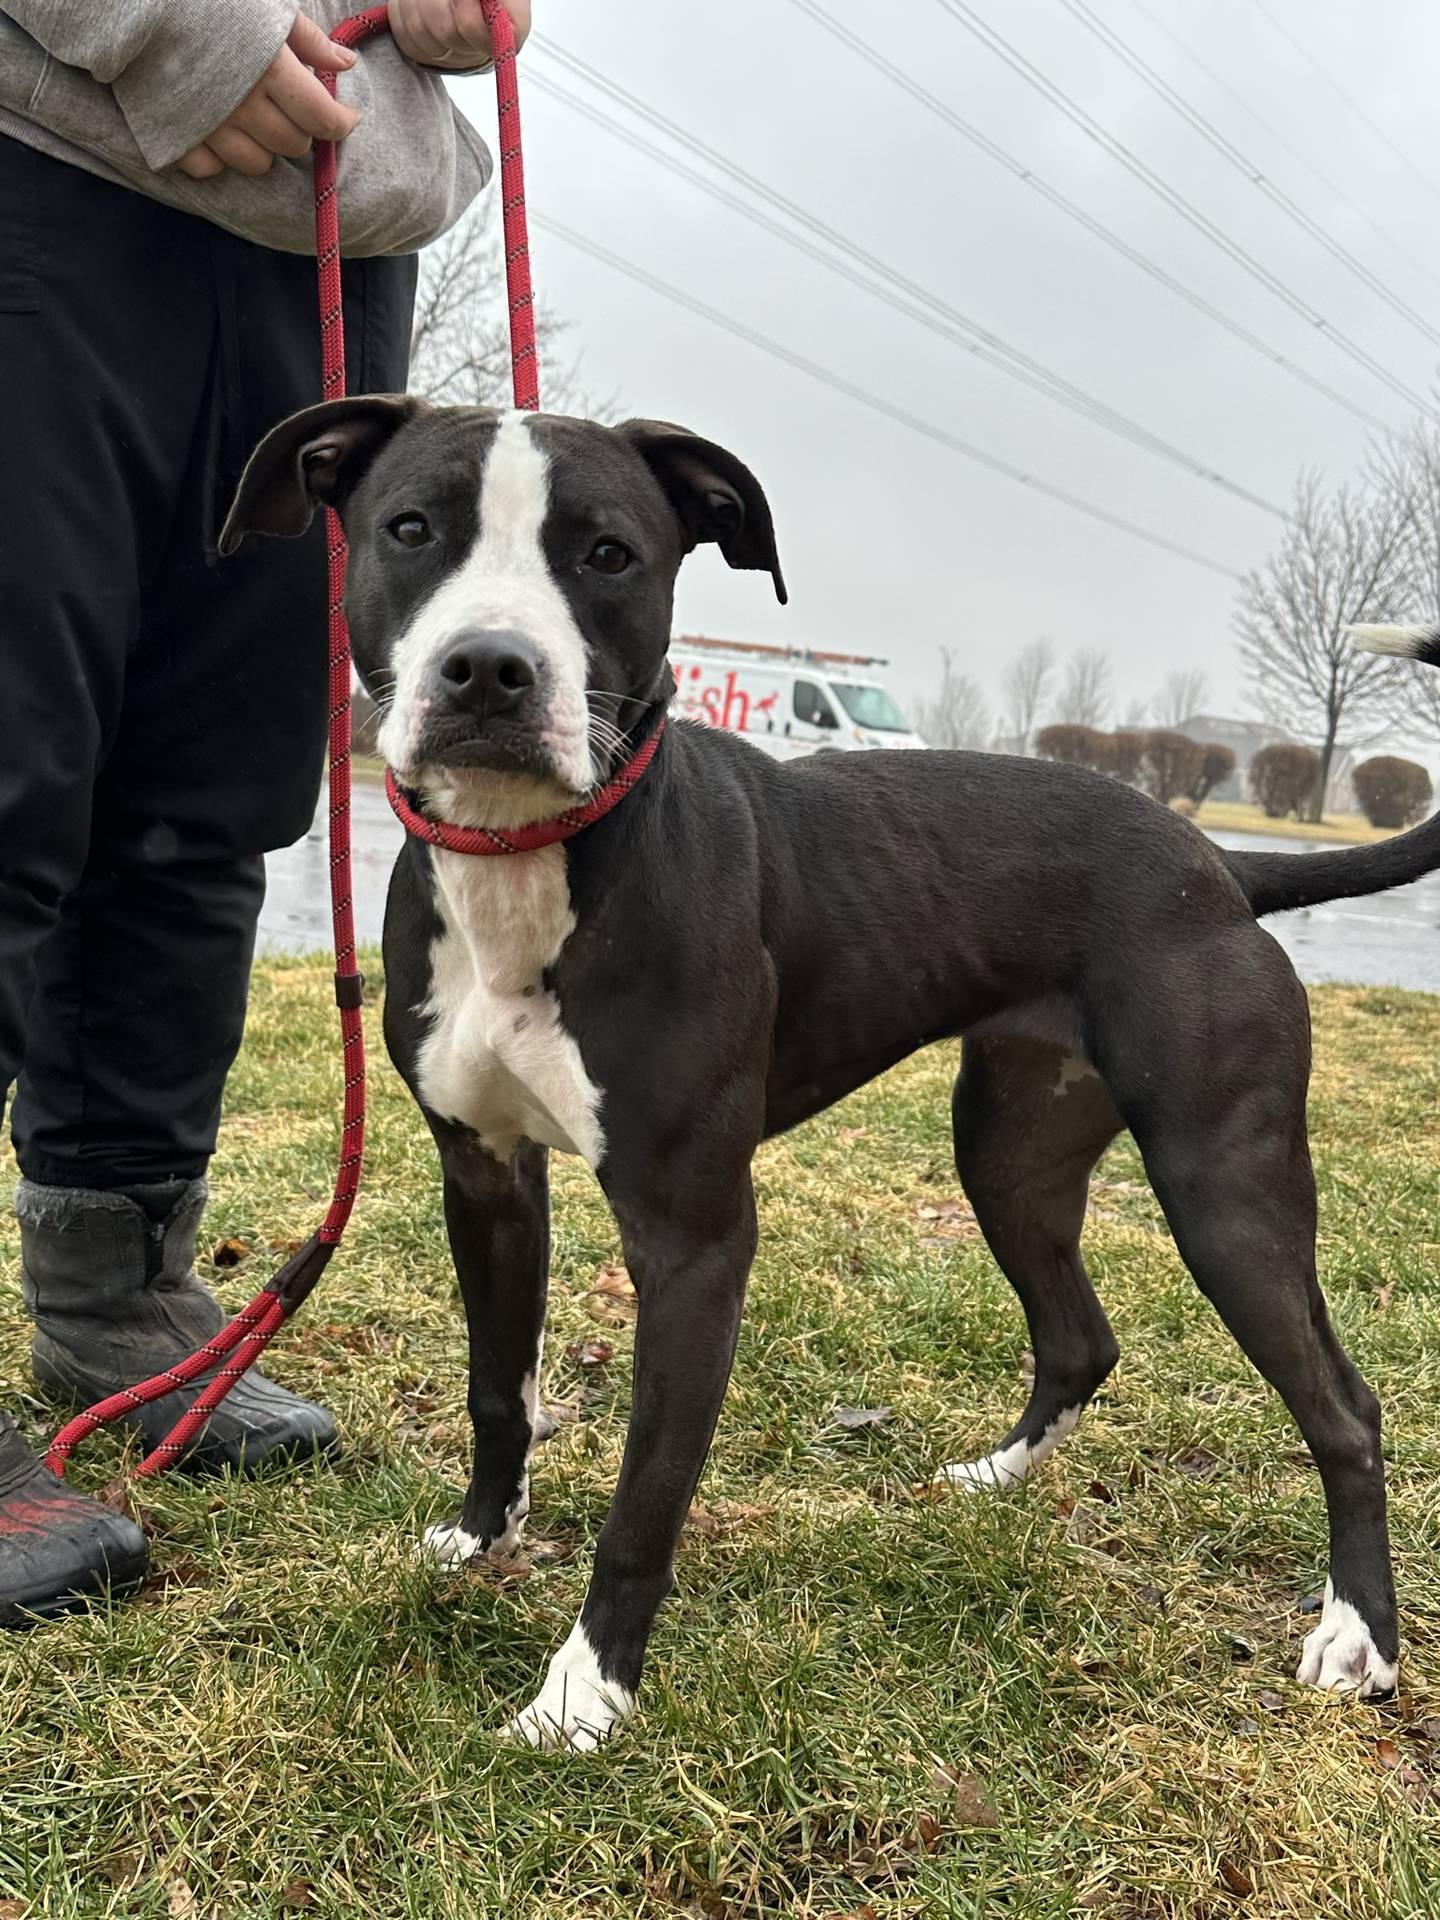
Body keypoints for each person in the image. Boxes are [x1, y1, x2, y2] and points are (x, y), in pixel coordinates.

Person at [0, 0, 530, 1625]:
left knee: (203, 793)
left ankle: (120, 1293)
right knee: (8, 769)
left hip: (325, 237)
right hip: (43, 166)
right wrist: (169, 25)